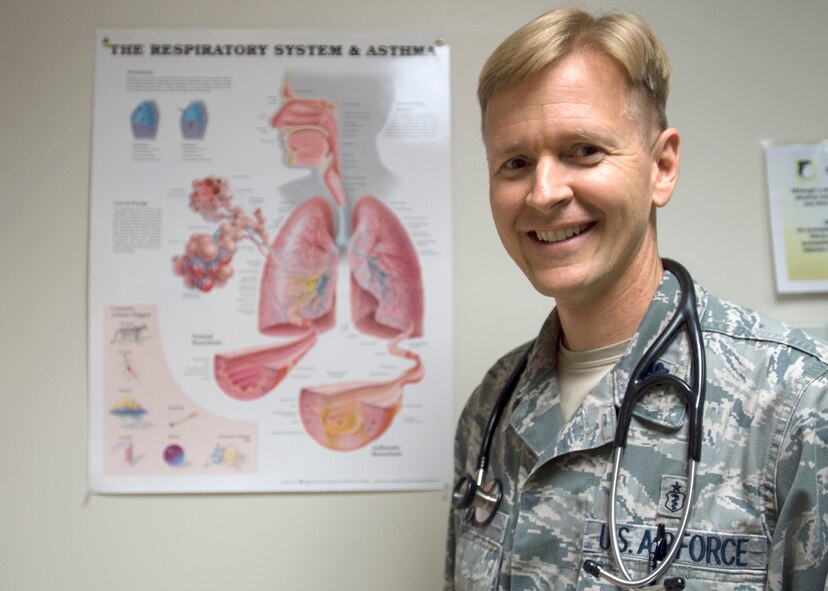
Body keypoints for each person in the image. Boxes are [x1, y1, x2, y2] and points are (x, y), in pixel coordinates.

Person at [445, 7, 828, 590]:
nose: (544, 193)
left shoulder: (795, 407)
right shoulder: (491, 411)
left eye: (584, 151)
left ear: (662, 167)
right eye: (515, 162)